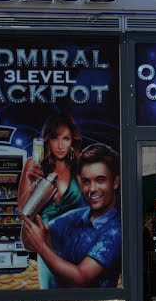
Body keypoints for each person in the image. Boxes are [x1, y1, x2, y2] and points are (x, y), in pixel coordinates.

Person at [20, 143, 121, 288]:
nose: (92, 189)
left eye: (100, 180)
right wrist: (35, 196)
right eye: (86, 181)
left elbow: (80, 277)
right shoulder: (74, 217)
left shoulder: (116, 230)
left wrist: (41, 247)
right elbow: (29, 243)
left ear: (115, 182)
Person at [17, 113, 86, 289]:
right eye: (55, 138)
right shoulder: (34, 164)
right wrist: (32, 185)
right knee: (50, 299)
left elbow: (89, 207)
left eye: (66, 139)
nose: (61, 146)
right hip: (46, 244)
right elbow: (23, 211)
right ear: (47, 140)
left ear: (73, 141)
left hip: (74, 244)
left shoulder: (78, 167)